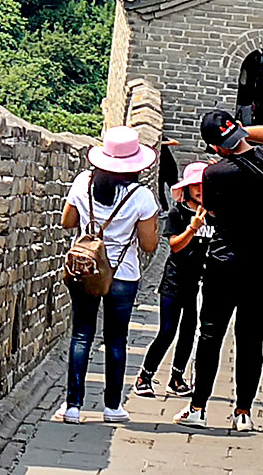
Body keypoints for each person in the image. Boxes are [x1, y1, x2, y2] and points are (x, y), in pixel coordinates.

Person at [177, 110, 263, 433]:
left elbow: (210, 210)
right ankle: (243, 413)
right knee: (251, 338)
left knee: (211, 334)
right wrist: (241, 131)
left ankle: (198, 408)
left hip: (225, 264)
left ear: (215, 147)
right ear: (237, 132)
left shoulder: (215, 175)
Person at [57, 128, 164, 424]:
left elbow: (67, 222)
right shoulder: (141, 196)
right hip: (123, 275)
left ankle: (73, 407)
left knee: (81, 335)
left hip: (84, 268)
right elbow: (148, 245)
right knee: (116, 339)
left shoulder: (83, 182)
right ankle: (112, 407)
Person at [134, 160, 212, 398]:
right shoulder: (179, 213)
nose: (200, 189)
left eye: (204, 184)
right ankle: (144, 376)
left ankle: (177, 378)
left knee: (189, 330)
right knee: (168, 330)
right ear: (186, 188)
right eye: (195, 185)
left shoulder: (214, 214)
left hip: (196, 282)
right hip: (175, 280)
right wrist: (193, 227)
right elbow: (175, 246)